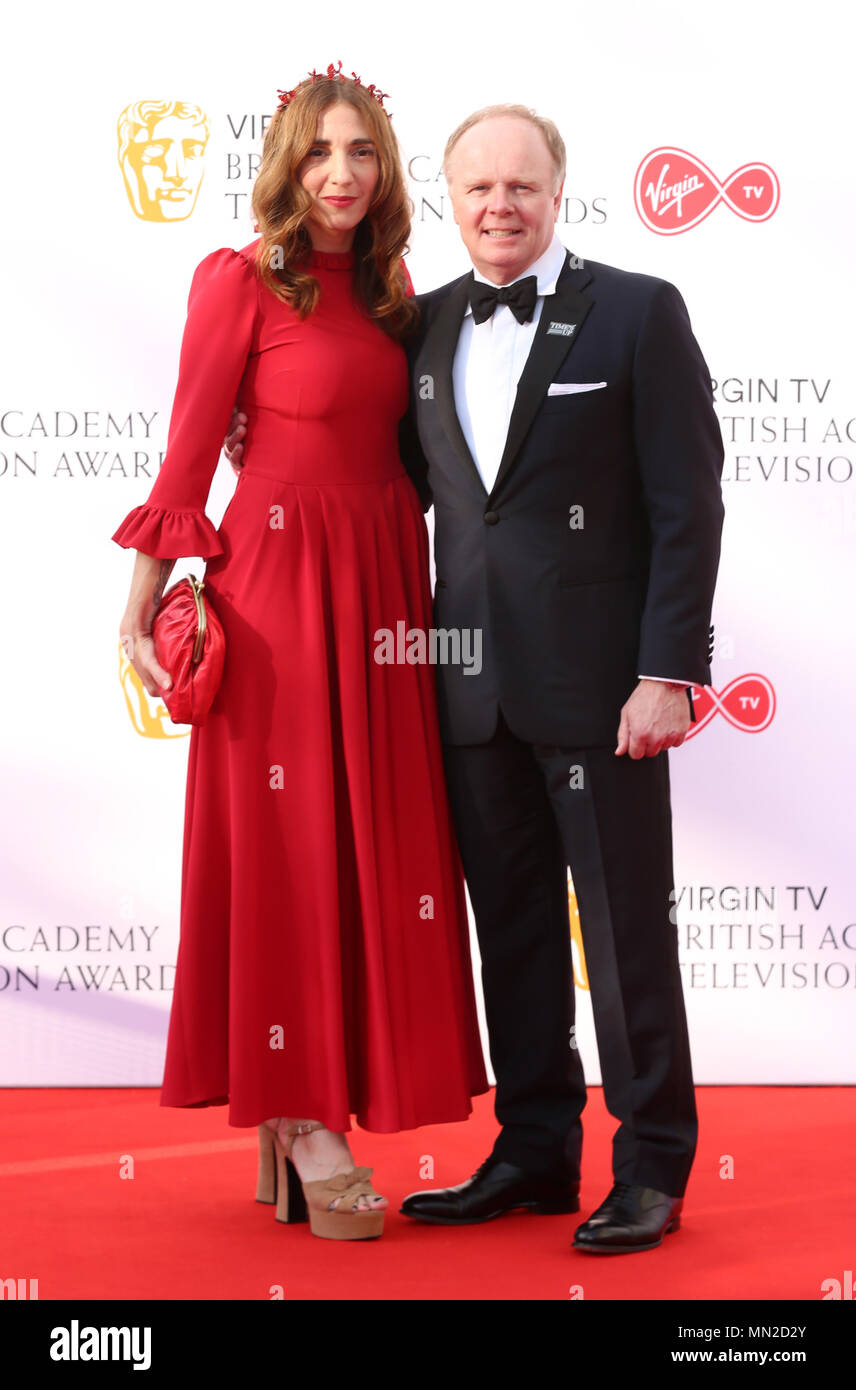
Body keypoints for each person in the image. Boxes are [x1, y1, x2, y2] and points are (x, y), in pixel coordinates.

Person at [231, 101, 725, 1254]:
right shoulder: (428, 325)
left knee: (624, 942)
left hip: (608, 695)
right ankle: (536, 1148)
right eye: (477, 190)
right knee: (510, 935)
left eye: (521, 186)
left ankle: (651, 1165)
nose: (499, 207)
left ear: (559, 190)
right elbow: (371, 464)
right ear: (448, 200)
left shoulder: (639, 315)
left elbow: (685, 505)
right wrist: (259, 441)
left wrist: (669, 670)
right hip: (463, 689)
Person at [112, 66, 489, 1243]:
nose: (341, 173)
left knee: (367, 844)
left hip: (382, 586)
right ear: (286, 161)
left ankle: (319, 1104)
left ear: (385, 171)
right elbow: (186, 455)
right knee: (285, 850)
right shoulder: (239, 281)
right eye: (321, 151)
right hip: (276, 599)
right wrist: (140, 608)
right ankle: (300, 1116)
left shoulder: (392, 292)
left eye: (362, 153)